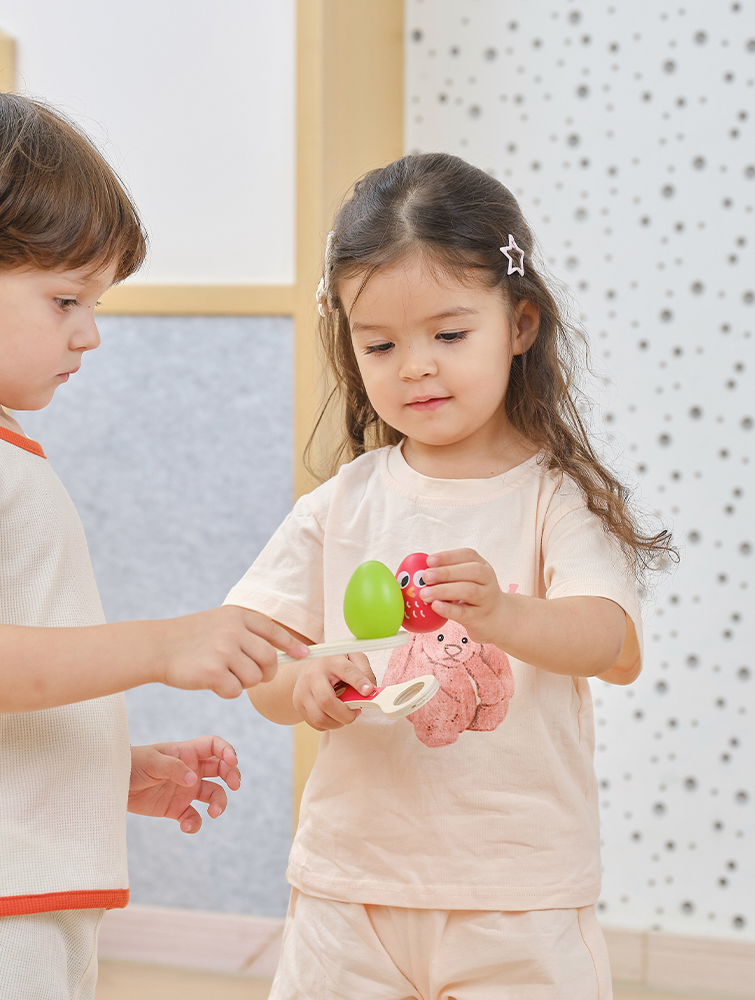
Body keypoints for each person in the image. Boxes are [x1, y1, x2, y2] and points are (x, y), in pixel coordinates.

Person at [0, 84, 307, 1000]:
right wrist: (162, 646)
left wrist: (103, 770)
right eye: (64, 300)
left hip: (13, 890)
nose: (89, 334)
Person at [225, 152, 673, 1000]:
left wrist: (503, 613)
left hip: (518, 893)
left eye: (449, 335)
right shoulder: (340, 503)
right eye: (380, 344)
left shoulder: (554, 497)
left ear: (520, 324)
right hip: (350, 886)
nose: (415, 366)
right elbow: (260, 658)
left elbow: (606, 639)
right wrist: (303, 682)